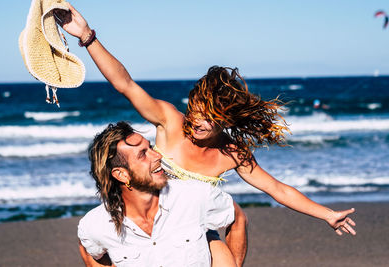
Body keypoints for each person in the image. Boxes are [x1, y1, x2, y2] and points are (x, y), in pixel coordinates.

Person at [56, 3, 356, 266]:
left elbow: (277, 189)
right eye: (197, 110)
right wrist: (87, 36)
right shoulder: (171, 122)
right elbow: (125, 84)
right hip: (145, 220)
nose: (198, 121)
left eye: (211, 118)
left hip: (194, 231)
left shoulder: (232, 153)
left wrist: (326, 214)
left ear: (226, 120)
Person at [78, 121, 237, 267]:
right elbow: (88, 246)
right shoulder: (97, 225)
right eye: (142, 154)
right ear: (122, 175)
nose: (157, 155)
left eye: (151, 148)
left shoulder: (195, 195)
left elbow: (237, 219)